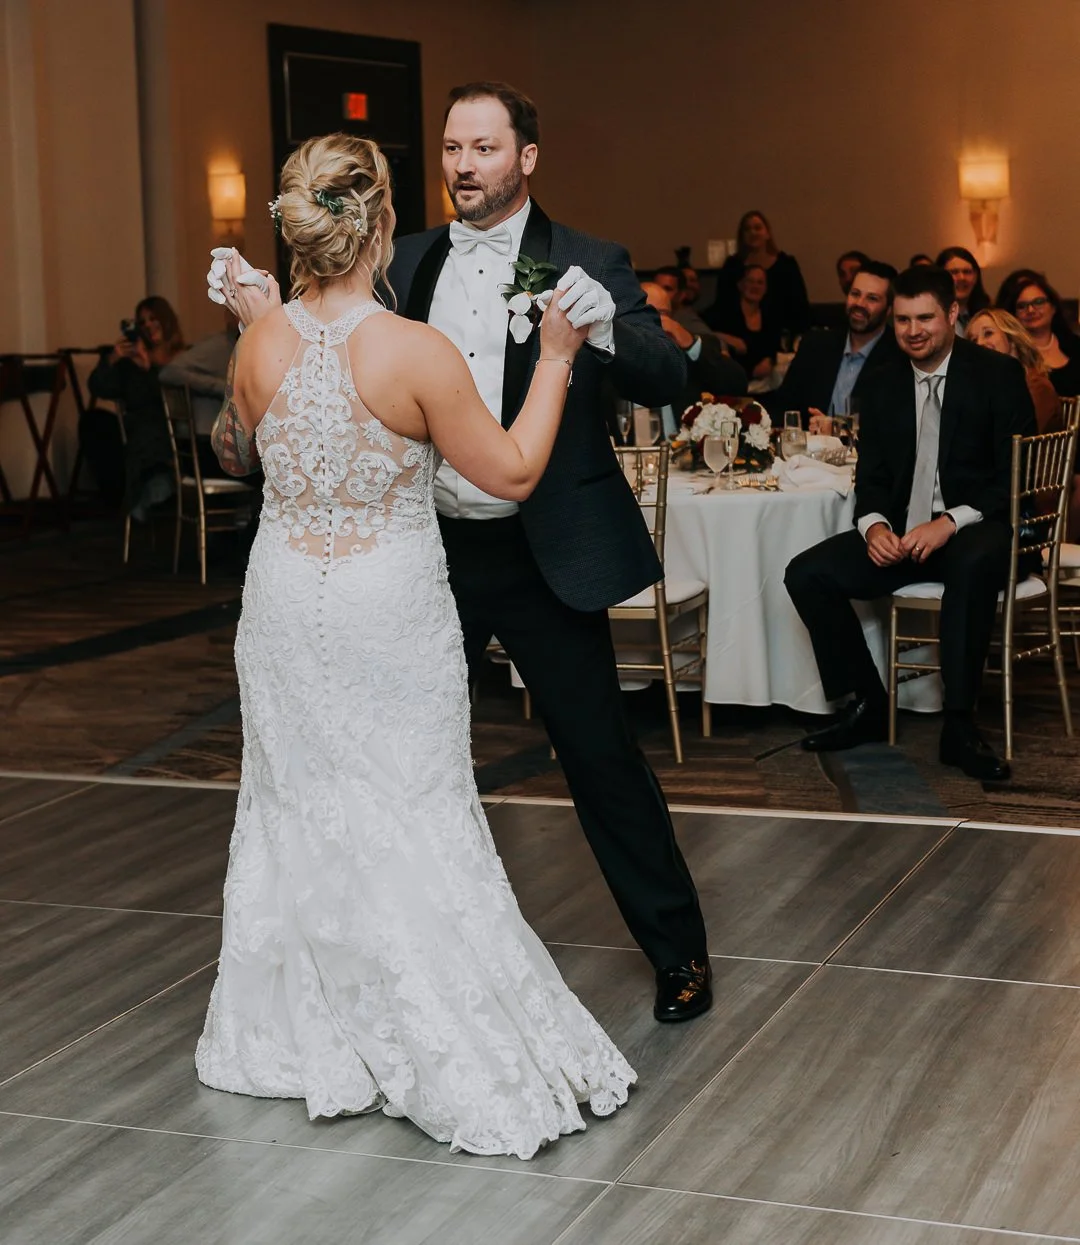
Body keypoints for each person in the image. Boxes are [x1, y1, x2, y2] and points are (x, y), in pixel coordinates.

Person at [208, 83, 712, 1026]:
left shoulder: (586, 259)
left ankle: (678, 951)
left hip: (543, 546)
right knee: (402, 761)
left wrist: (598, 327)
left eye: (483, 148)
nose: (463, 165)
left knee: (601, 757)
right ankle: (388, 970)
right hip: (422, 550)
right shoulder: (402, 256)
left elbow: (671, 370)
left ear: (527, 158)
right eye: (450, 148)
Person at [784, 265, 1036, 782]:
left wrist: (948, 522)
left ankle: (959, 725)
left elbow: (1014, 478)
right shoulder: (881, 384)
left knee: (972, 559)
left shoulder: (995, 374)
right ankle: (868, 703)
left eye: (925, 318)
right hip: (904, 534)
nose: (913, 330)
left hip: (977, 526)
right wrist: (875, 527)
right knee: (806, 572)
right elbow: (872, 477)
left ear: (951, 314)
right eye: (902, 320)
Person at [767, 259, 900, 429]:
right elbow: (783, 407)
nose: (859, 304)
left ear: (889, 309)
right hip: (808, 451)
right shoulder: (816, 345)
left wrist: (836, 428)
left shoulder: (898, 357)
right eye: (855, 294)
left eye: (872, 298)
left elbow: (892, 428)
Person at [88, 296, 185, 519]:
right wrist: (113, 359)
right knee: (97, 423)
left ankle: (158, 489)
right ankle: (154, 490)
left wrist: (150, 368)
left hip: (179, 428)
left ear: (166, 320)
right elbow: (99, 387)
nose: (149, 325)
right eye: (142, 322)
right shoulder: (131, 365)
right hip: (145, 437)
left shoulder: (184, 357)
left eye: (153, 318)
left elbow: (173, 396)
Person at [641, 280, 747, 426]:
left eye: (663, 313)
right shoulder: (612, 356)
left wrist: (691, 345)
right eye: (646, 312)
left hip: (681, 446)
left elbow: (737, 385)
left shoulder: (689, 356)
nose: (655, 320)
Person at [159, 311, 243, 479]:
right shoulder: (219, 345)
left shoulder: (247, 346)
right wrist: (220, 387)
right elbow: (168, 373)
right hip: (206, 448)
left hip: (222, 446)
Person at [705, 209, 810, 338]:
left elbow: (799, 305)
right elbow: (722, 304)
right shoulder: (732, 266)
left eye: (757, 228)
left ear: (767, 233)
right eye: (747, 229)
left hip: (782, 335)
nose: (753, 232)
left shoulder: (786, 265)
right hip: (739, 336)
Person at [966, 307, 1061, 433]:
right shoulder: (983, 389)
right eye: (974, 340)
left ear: (1011, 339)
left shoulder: (1038, 387)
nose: (980, 343)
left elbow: (1020, 441)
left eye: (988, 333)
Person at [996, 269, 1080, 398]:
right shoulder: (1011, 351)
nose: (1030, 310)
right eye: (1022, 306)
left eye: (1038, 302)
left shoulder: (1075, 344)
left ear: (1053, 307)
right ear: (1014, 315)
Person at [707, 263, 781, 383]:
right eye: (750, 281)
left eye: (760, 282)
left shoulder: (770, 316)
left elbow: (773, 347)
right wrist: (726, 338)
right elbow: (701, 331)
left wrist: (770, 360)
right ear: (740, 285)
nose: (755, 286)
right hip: (731, 382)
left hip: (764, 385)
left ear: (766, 289)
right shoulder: (722, 312)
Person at [653, 265, 717, 342]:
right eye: (656, 287)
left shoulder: (685, 319)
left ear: (681, 295)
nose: (659, 292)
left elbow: (717, 345)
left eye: (667, 289)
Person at [935, 246, 990, 333]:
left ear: (976, 276)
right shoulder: (933, 319)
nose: (961, 278)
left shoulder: (988, 315)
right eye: (954, 272)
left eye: (967, 272)